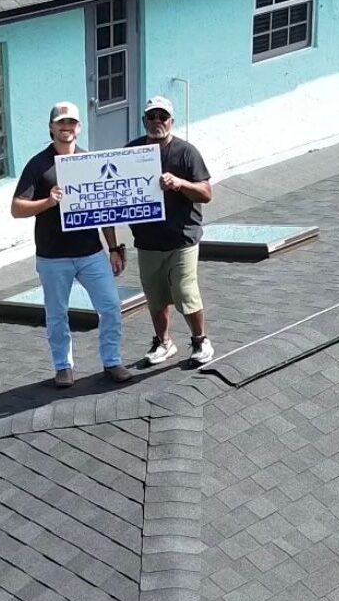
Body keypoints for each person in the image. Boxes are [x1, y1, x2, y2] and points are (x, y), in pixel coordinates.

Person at [11, 102, 132, 388]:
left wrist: (113, 248)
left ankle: (112, 361)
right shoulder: (38, 165)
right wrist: (48, 202)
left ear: (79, 127)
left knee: (112, 306)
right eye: (60, 123)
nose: (66, 128)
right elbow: (17, 208)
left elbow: (104, 210)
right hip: (53, 256)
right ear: (51, 127)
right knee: (56, 315)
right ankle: (63, 366)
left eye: (71, 123)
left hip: (91, 252)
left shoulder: (89, 161)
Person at [127, 95, 214, 366]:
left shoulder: (187, 152)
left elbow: (206, 193)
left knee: (185, 291)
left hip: (182, 238)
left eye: (162, 117)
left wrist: (179, 183)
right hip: (147, 240)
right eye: (151, 117)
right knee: (155, 296)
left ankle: (200, 340)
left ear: (172, 121)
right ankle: (163, 342)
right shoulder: (132, 151)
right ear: (144, 121)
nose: (157, 122)